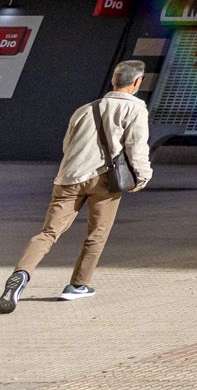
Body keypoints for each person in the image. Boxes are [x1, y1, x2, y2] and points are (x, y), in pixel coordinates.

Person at [2, 58, 152, 312]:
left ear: (113, 81)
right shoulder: (135, 108)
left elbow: (67, 146)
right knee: (96, 234)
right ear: (138, 82)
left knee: (49, 233)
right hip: (105, 179)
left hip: (69, 177)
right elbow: (136, 146)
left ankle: (21, 274)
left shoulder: (84, 109)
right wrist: (142, 176)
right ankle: (78, 286)